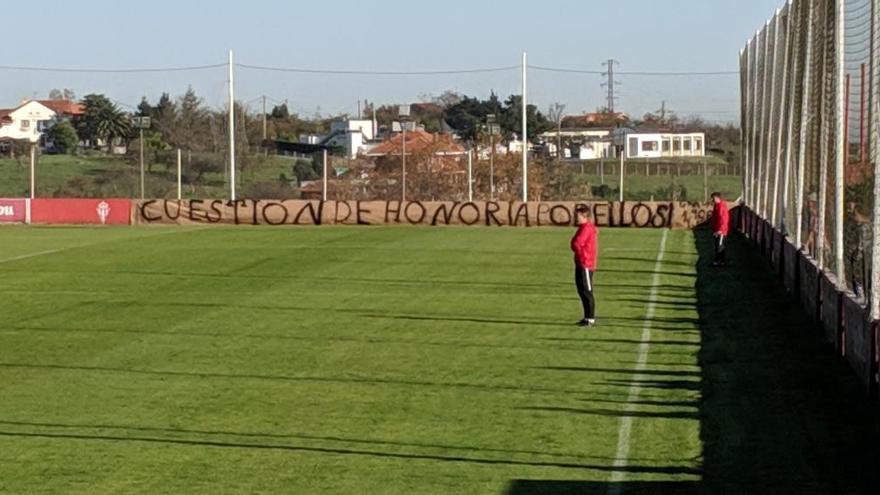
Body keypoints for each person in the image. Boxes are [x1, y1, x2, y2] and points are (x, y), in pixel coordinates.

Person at [571, 205, 598, 327]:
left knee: (587, 291)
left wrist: (578, 249)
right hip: (581, 261)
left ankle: (590, 318)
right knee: (581, 290)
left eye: (578, 216)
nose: (576, 218)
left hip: (585, 262)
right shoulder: (583, 227)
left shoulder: (586, 228)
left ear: (584, 216)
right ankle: (587, 316)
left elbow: (577, 243)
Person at [710, 192, 730, 267]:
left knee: (720, 245)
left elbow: (724, 219)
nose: (712, 200)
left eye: (713, 198)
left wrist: (720, 230)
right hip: (717, 229)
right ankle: (720, 261)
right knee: (717, 245)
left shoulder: (721, 206)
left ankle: (719, 261)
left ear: (717, 198)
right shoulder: (717, 206)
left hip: (721, 230)